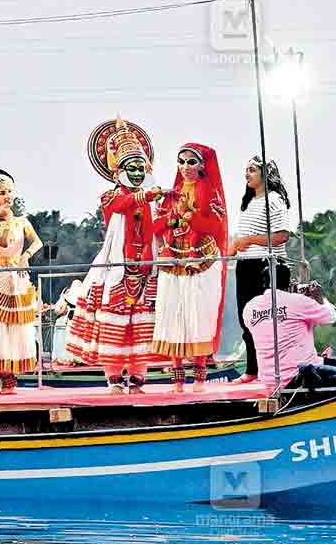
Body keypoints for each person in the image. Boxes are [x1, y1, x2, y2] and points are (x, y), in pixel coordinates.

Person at [66, 117, 166, 394]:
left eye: (142, 168)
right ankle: (114, 381)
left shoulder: (152, 201)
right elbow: (123, 205)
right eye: (131, 168)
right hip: (116, 273)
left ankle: (137, 381)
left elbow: (158, 227)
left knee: (141, 329)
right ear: (117, 173)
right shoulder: (111, 198)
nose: (138, 173)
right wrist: (146, 197)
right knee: (113, 326)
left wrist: (174, 216)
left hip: (147, 271)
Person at [151, 143, 229, 393]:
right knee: (172, 315)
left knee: (198, 316)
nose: (185, 167)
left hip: (202, 261)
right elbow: (156, 227)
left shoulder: (211, 193)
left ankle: (199, 379)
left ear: (203, 165)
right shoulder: (171, 194)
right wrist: (172, 218)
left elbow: (214, 228)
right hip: (172, 260)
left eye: (191, 161)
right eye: (181, 161)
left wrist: (190, 217)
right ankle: (176, 381)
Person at [0, 170, 44, 395]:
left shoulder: (22, 222)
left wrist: (26, 256)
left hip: (18, 277)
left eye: (9, 192)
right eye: (2, 193)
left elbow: (37, 242)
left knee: (18, 327)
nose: (8, 196)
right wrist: (5, 218)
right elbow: (3, 242)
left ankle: (7, 378)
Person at [229, 156, 295, 385]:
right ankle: (252, 370)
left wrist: (248, 240)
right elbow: (242, 240)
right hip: (246, 265)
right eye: (246, 170)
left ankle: (274, 369)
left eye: (252, 170)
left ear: (265, 174)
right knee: (246, 318)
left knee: (268, 320)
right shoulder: (248, 202)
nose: (247, 174)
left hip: (267, 265)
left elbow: (282, 236)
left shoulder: (274, 200)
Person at [240, 263, 336, 390]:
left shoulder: (250, 307)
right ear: (288, 282)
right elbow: (332, 316)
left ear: (264, 283)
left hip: (269, 381)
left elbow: (272, 326)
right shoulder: (297, 301)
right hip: (300, 376)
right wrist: (319, 298)